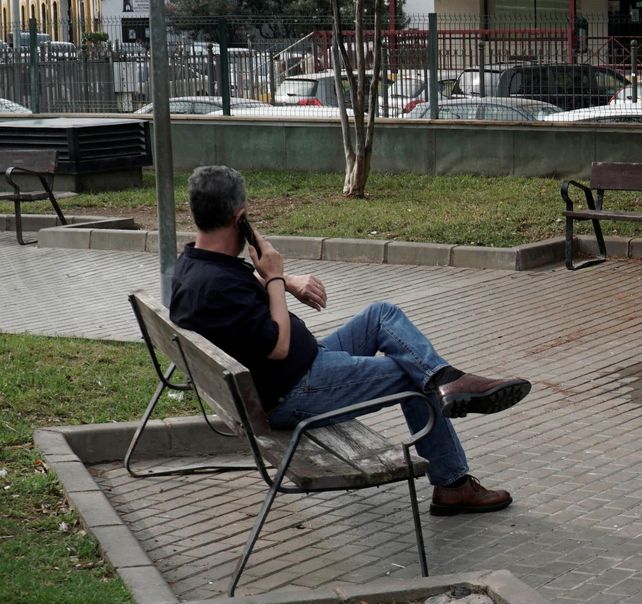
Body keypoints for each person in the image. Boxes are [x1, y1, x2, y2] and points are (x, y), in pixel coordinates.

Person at [169, 165, 529, 515]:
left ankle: (447, 380)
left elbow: (241, 304)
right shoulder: (218, 285)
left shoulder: (195, 265)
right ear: (240, 218)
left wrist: (286, 281)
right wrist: (277, 277)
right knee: (413, 375)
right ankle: (452, 483)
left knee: (381, 314)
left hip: (302, 368)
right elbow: (278, 347)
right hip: (296, 391)